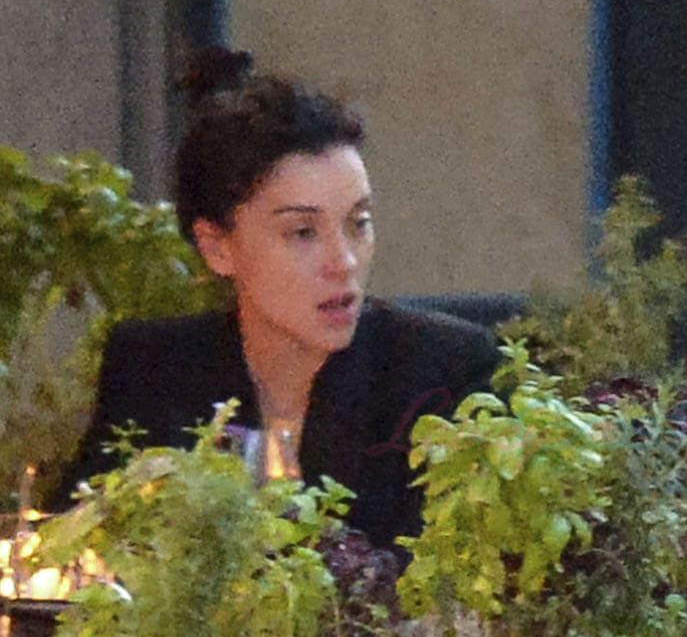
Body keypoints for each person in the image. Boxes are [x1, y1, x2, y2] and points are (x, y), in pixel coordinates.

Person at [55, 48, 499, 548]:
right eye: (303, 232)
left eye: (359, 223)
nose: (344, 261)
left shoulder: (440, 372)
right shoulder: (151, 368)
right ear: (217, 247)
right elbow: (65, 553)